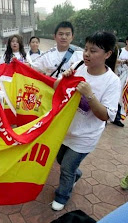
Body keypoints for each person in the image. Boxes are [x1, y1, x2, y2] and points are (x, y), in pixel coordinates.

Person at [51, 31, 121, 211]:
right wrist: (64, 78)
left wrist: (89, 95)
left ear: (107, 54)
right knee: (60, 159)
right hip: (66, 130)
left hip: (85, 136)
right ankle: (76, 174)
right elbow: (56, 87)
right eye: (86, 49)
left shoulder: (112, 81)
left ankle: (62, 195)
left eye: (94, 51)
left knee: (66, 168)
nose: (87, 54)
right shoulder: (79, 65)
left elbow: (106, 115)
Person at [112, 36, 128, 127]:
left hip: (126, 80)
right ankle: (115, 117)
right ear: (127, 42)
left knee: (122, 98)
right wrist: (124, 61)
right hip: (118, 77)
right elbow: (114, 61)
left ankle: (117, 117)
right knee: (117, 97)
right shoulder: (120, 51)